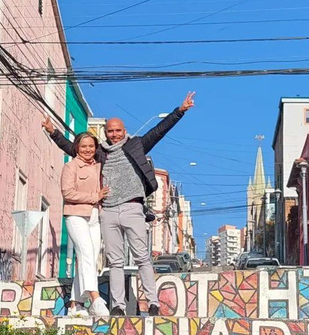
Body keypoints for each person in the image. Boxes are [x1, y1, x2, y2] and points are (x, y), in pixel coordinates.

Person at [43, 92, 196, 316]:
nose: (114, 134)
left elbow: (159, 131)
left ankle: (152, 303)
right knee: (115, 261)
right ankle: (118, 306)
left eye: (118, 131)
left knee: (142, 257)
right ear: (106, 133)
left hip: (133, 208)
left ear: (124, 131)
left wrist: (180, 111)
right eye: (110, 131)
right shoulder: (100, 154)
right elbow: (74, 149)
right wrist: (54, 133)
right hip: (108, 212)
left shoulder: (137, 145)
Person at [60, 132, 110, 317]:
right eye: (83, 146)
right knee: (86, 254)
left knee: (90, 258)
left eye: (91, 146)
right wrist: (93, 197)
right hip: (75, 215)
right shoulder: (70, 166)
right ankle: (95, 299)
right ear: (76, 148)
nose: (88, 150)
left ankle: (75, 304)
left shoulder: (99, 167)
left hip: (95, 216)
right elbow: (67, 193)